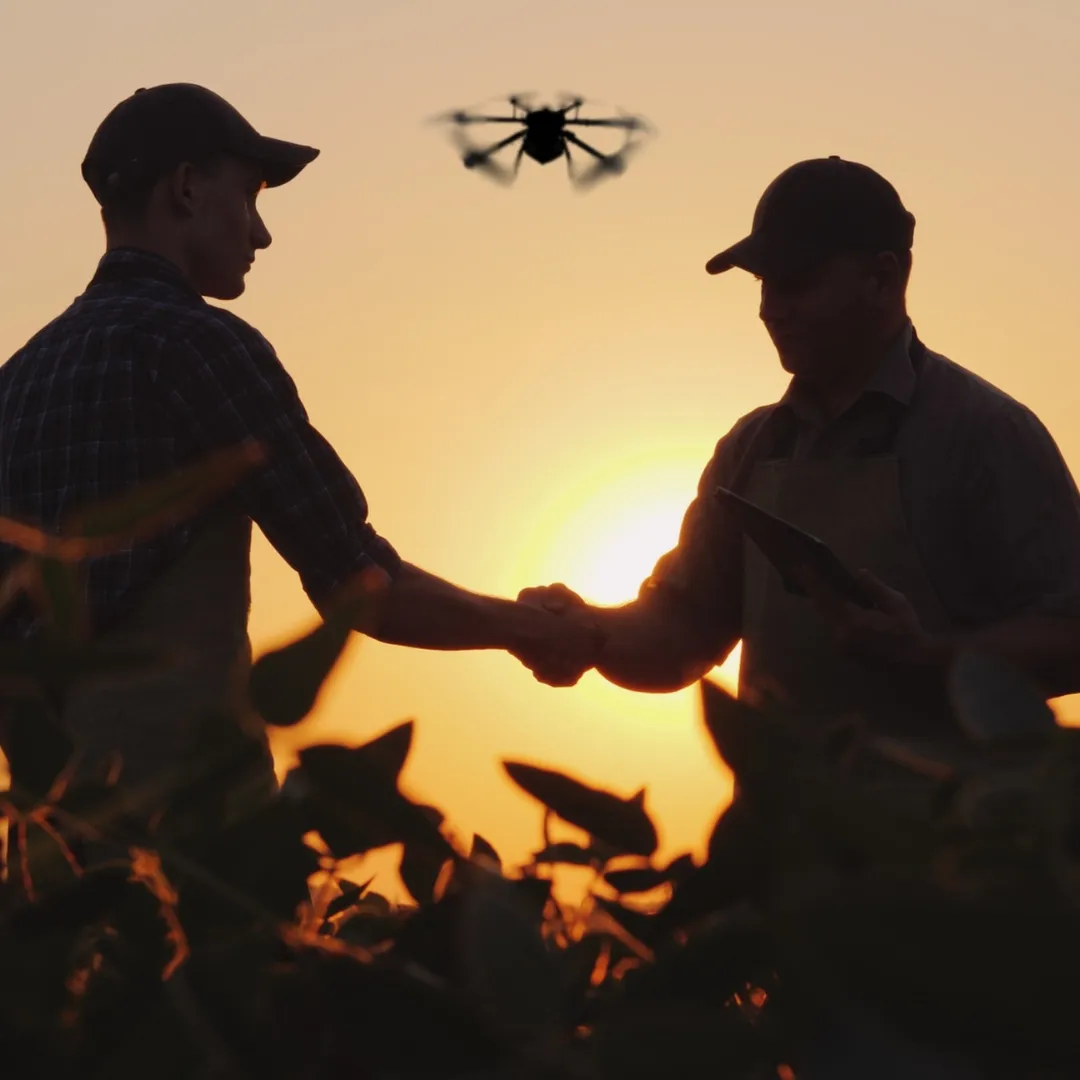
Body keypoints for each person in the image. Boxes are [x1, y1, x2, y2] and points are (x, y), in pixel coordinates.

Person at [0, 83, 602, 786]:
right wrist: (531, 629)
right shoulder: (202, 347)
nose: (261, 233)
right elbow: (360, 582)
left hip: (53, 840)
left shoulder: (17, 380)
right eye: (251, 196)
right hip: (191, 829)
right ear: (187, 188)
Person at [519, 155, 1080, 735]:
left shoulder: (987, 434)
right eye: (764, 284)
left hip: (957, 824)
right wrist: (586, 633)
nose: (770, 309)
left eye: (797, 282)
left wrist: (934, 654)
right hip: (780, 824)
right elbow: (682, 635)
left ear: (883, 278)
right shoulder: (749, 449)